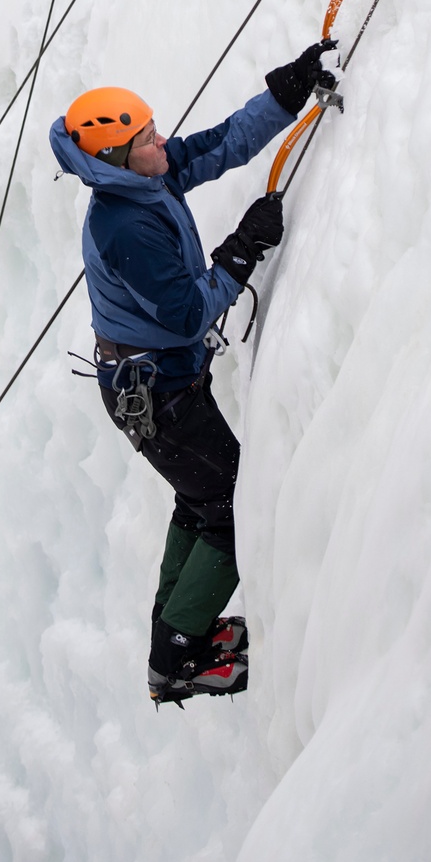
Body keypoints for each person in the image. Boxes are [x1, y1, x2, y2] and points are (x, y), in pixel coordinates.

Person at [49, 42, 336, 705]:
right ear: (116, 157)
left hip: (153, 385)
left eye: (152, 127)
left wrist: (283, 96)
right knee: (234, 505)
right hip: (157, 394)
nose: (162, 140)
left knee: (203, 498)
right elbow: (183, 314)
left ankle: (173, 640)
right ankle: (178, 653)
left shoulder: (141, 175)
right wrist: (241, 250)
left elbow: (217, 147)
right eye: (147, 137)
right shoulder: (124, 225)